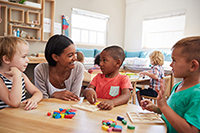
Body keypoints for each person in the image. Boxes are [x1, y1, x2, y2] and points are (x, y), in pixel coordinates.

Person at [141, 36, 200, 133]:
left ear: (193, 66)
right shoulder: (178, 86)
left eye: (174, 60)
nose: (170, 64)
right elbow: (173, 112)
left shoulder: (197, 94)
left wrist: (163, 106)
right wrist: (156, 108)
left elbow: (192, 131)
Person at [34, 35, 84, 101]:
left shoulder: (78, 68)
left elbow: (74, 98)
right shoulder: (40, 70)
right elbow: (42, 100)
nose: (75, 58)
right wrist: (54, 95)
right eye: (70, 55)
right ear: (55, 57)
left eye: (75, 53)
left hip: (69, 110)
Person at [83, 45, 132, 110]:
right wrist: (88, 91)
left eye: (104, 60)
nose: (100, 63)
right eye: (101, 60)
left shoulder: (123, 79)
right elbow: (86, 90)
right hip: (97, 110)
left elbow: (126, 96)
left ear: (117, 63)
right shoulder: (98, 77)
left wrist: (113, 102)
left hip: (114, 111)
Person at [0, 36, 43, 110]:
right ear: (6, 59)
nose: (27, 60)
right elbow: (14, 103)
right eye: (24, 57)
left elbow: (38, 92)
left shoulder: (22, 76)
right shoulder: (1, 79)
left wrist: (33, 100)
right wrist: (16, 75)